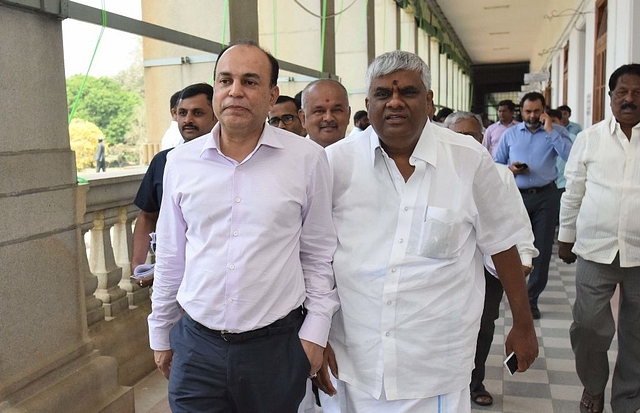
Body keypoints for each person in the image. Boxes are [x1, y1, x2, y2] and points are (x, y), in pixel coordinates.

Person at [315, 50, 538, 413]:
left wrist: (523, 325)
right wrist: (316, 334)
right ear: (368, 103)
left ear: (430, 101)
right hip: (353, 361)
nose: (395, 103)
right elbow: (314, 256)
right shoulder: (335, 163)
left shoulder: (468, 159)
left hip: (434, 366)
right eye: (384, 94)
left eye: (409, 92)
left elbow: (501, 244)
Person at [148, 40, 339, 413]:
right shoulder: (181, 162)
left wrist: (314, 334)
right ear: (215, 88)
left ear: (272, 95)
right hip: (197, 345)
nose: (235, 91)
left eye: (250, 82)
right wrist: (161, 331)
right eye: (226, 80)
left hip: (276, 348)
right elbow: (171, 255)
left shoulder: (307, 159)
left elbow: (317, 254)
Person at [558, 63, 640, 413]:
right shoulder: (588, 138)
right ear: (610, 97)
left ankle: (627, 399)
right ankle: (593, 385)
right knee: (589, 325)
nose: (630, 99)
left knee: (636, 335)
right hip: (595, 248)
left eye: (637, 93)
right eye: (622, 92)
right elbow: (573, 190)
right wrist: (566, 236)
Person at [444, 111, 538, 407]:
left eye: (471, 136)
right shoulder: (431, 173)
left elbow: (516, 223)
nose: (464, 143)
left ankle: (475, 381)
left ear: (483, 140)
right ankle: (447, 380)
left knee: (483, 325)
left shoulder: (499, 175)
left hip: (489, 266)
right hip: (448, 266)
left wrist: (524, 257)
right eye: (457, 136)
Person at [494, 92, 573, 319]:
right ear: (521, 111)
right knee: (510, 244)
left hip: (546, 196)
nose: (532, 115)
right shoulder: (510, 135)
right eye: (528, 111)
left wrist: (550, 130)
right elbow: (496, 164)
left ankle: (531, 299)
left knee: (542, 248)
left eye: (537, 111)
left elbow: (570, 156)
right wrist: (511, 169)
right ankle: (511, 293)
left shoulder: (556, 132)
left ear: (544, 110)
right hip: (515, 195)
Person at [130, 83, 217, 287]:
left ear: (216, 116)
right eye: (182, 113)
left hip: (212, 281)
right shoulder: (163, 161)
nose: (188, 120)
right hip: (170, 279)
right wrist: (137, 265)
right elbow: (147, 215)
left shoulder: (233, 163)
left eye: (197, 113)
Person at [300, 79, 351, 147]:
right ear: (303, 118)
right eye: (319, 111)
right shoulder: (291, 156)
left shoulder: (364, 154)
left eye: (336, 110)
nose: (328, 118)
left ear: (348, 115)